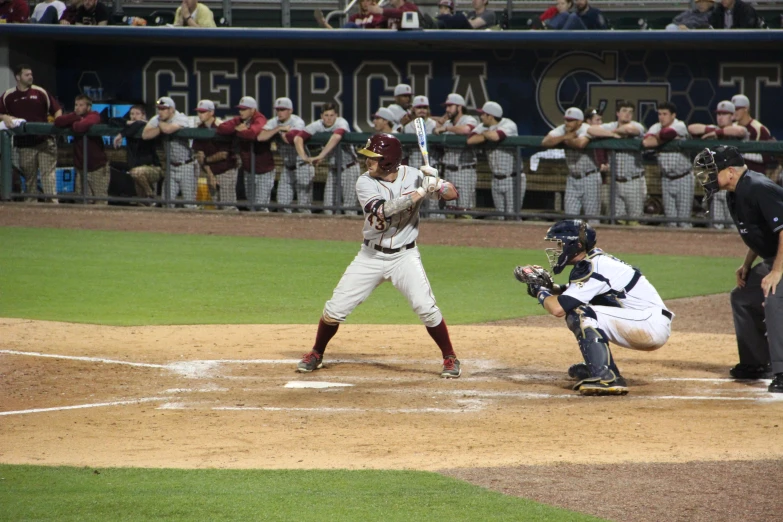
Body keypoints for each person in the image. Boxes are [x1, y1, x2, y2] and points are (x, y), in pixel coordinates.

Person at [296, 133, 463, 378]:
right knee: (334, 310)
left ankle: (450, 357)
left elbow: (452, 195)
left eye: (372, 157)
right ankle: (317, 353)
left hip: (404, 257)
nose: (367, 161)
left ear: (388, 160)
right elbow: (384, 210)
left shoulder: (415, 175)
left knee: (426, 308)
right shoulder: (365, 182)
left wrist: (437, 183)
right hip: (370, 256)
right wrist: (420, 192)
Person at [514, 219, 673, 395]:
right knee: (580, 307)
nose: (558, 249)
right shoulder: (594, 261)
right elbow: (574, 294)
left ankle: (606, 377)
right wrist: (551, 288)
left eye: (561, 244)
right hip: (643, 321)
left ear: (576, 245)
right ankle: (598, 368)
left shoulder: (594, 266)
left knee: (580, 312)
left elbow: (558, 308)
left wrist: (539, 290)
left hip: (648, 325)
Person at [693, 145, 783, 393]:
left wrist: (775, 271)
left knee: (775, 296)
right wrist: (747, 264)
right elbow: (760, 232)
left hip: (781, 259)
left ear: (730, 171)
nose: (707, 177)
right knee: (743, 296)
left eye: (712, 171)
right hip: (774, 256)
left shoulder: (758, 187)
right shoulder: (736, 192)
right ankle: (755, 363)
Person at [0, 64, 62, 203]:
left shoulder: (40, 92)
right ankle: (31, 210)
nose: (30, 77)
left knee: (48, 177)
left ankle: (53, 207)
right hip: (25, 145)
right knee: (29, 179)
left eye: (31, 74)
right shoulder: (9, 95)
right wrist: (4, 117)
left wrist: (57, 124)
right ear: (18, 77)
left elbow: (57, 109)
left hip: (45, 142)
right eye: (27, 74)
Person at [287, 103, 361, 215]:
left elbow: (336, 136)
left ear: (336, 115)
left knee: (349, 208)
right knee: (328, 208)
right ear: (322, 116)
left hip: (349, 167)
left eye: (332, 115)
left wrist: (320, 156)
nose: (329, 118)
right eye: (326, 115)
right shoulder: (318, 125)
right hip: (333, 169)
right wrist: (304, 157)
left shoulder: (341, 122)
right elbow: (298, 138)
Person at [688, 100, 748, 228]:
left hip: (736, 187)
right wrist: (712, 129)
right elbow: (691, 128)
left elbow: (740, 132)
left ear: (732, 116)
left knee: (735, 226)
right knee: (716, 225)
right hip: (718, 186)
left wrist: (716, 133)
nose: (720, 117)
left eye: (724, 114)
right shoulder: (712, 128)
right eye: (719, 114)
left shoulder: (739, 128)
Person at [587, 100, 647, 225]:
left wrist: (614, 132)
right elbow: (591, 130)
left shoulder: (637, 125)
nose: (627, 114)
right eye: (624, 111)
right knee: (617, 220)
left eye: (630, 112)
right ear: (617, 113)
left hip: (634, 181)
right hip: (615, 182)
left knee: (634, 220)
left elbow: (630, 130)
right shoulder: (611, 126)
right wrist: (612, 134)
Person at [541, 107, 600, 223]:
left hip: (590, 177)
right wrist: (564, 137)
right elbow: (545, 142)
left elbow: (581, 144)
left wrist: (565, 141)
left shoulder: (586, 128)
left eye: (571, 120)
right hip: (572, 178)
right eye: (566, 120)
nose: (567, 123)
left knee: (593, 219)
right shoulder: (563, 129)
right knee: (570, 219)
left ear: (579, 122)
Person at [466, 101, 523, 219]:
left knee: (512, 217)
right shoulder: (483, 126)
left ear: (490, 116)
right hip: (495, 178)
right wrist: (486, 133)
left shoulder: (509, 124)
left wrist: (484, 134)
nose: (481, 116)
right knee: (500, 218)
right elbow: (470, 140)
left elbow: (496, 136)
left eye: (483, 114)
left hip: (513, 178)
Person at [217, 96, 273, 211]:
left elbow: (253, 134)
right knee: (251, 204)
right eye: (240, 109)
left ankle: (266, 228)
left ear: (252, 110)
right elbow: (221, 128)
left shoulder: (260, 119)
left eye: (244, 109)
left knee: (261, 206)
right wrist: (238, 129)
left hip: (264, 170)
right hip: (249, 169)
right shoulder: (240, 120)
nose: (240, 111)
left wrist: (242, 131)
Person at [642, 102, 693, 228]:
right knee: (670, 221)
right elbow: (646, 143)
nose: (661, 117)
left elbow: (667, 133)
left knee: (684, 221)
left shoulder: (680, 125)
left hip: (684, 177)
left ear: (673, 115)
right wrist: (659, 137)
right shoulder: (655, 126)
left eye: (665, 114)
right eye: (659, 114)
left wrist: (657, 138)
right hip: (666, 178)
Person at [257, 97, 311, 213]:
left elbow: (290, 140)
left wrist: (278, 133)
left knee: (303, 206)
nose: (280, 112)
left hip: (302, 166)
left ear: (290, 110)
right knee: (282, 204)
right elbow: (261, 137)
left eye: (283, 109)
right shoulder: (274, 122)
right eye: (278, 109)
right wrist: (279, 129)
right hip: (287, 168)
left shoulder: (297, 122)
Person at [54, 95, 109, 204]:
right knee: (81, 201)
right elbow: (58, 121)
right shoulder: (75, 115)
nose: (77, 108)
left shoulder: (94, 115)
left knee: (100, 201)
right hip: (81, 167)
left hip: (96, 167)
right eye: (76, 105)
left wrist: (74, 123)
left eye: (81, 105)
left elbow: (81, 127)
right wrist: (76, 118)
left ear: (88, 107)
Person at [142, 97, 195, 208]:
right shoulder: (158, 118)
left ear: (171, 109)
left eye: (163, 109)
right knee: (166, 203)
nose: (160, 112)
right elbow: (145, 135)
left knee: (190, 204)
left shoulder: (181, 118)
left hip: (186, 166)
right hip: (170, 167)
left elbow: (168, 130)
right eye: (159, 109)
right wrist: (160, 127)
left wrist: (160, 125)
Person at [434, 93, 478, 217]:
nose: (447, 109)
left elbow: (467, 130)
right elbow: (435, 127)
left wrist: (446, 128)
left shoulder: (469, 119)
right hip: (448, 171)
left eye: (450, 106)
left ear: (459, 107)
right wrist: (443, 120)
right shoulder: (448, 122)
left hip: (464, 170)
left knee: (464, 212)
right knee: (449, 211)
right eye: (446, 106)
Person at [193, 100, 238, 210]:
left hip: (226, 171)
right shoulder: (200, 129)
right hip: (210, 171)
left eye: (203, 112)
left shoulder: (222, 127)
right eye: (199, 112)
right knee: (215, 207)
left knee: (228, 207)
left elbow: (223, 154)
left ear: (211, 112)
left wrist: (206, 161)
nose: (200, 114)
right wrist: (210, 175)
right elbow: (199, 155)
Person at [112, 104, 162, 205]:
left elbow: (140, 124)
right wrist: (127, 122)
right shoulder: (130, 127)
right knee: (142, 202)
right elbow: (111, 120)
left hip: (153, 169)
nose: (134, 116)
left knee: (136, 172)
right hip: (136, 170)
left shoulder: (147, 126)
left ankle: (151, 195)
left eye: (137, 114)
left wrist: (121, 134)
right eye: (132, 114)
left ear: (143, 116)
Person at [403, 95, 440, 216]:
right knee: (415, 204)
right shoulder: (407, 127)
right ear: (413, 109)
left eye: (425, 107)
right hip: (414, 170)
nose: (422, 110)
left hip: (431, 169)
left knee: (433, 205)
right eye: (419, 107)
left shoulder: (434, 125)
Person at [730, 94, 775, 175]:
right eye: (733, 109)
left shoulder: (759, 128)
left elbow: (767, 157)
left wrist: (742, 152)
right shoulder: (731, 128)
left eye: (737, 109)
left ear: (746, 109)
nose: (734, 112)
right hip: (735, 176)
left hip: (755, 175)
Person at [315, 0, 383, 29]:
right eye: (363, 1)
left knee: (351, 25)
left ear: (373, 2)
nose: (365, 3)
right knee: (349, 26)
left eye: (368, 0)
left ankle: (325, 24)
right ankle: (323, 23)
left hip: (368, 37)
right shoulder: (355, 17)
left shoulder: (377, 15)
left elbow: (377, 27)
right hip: (354, 39)